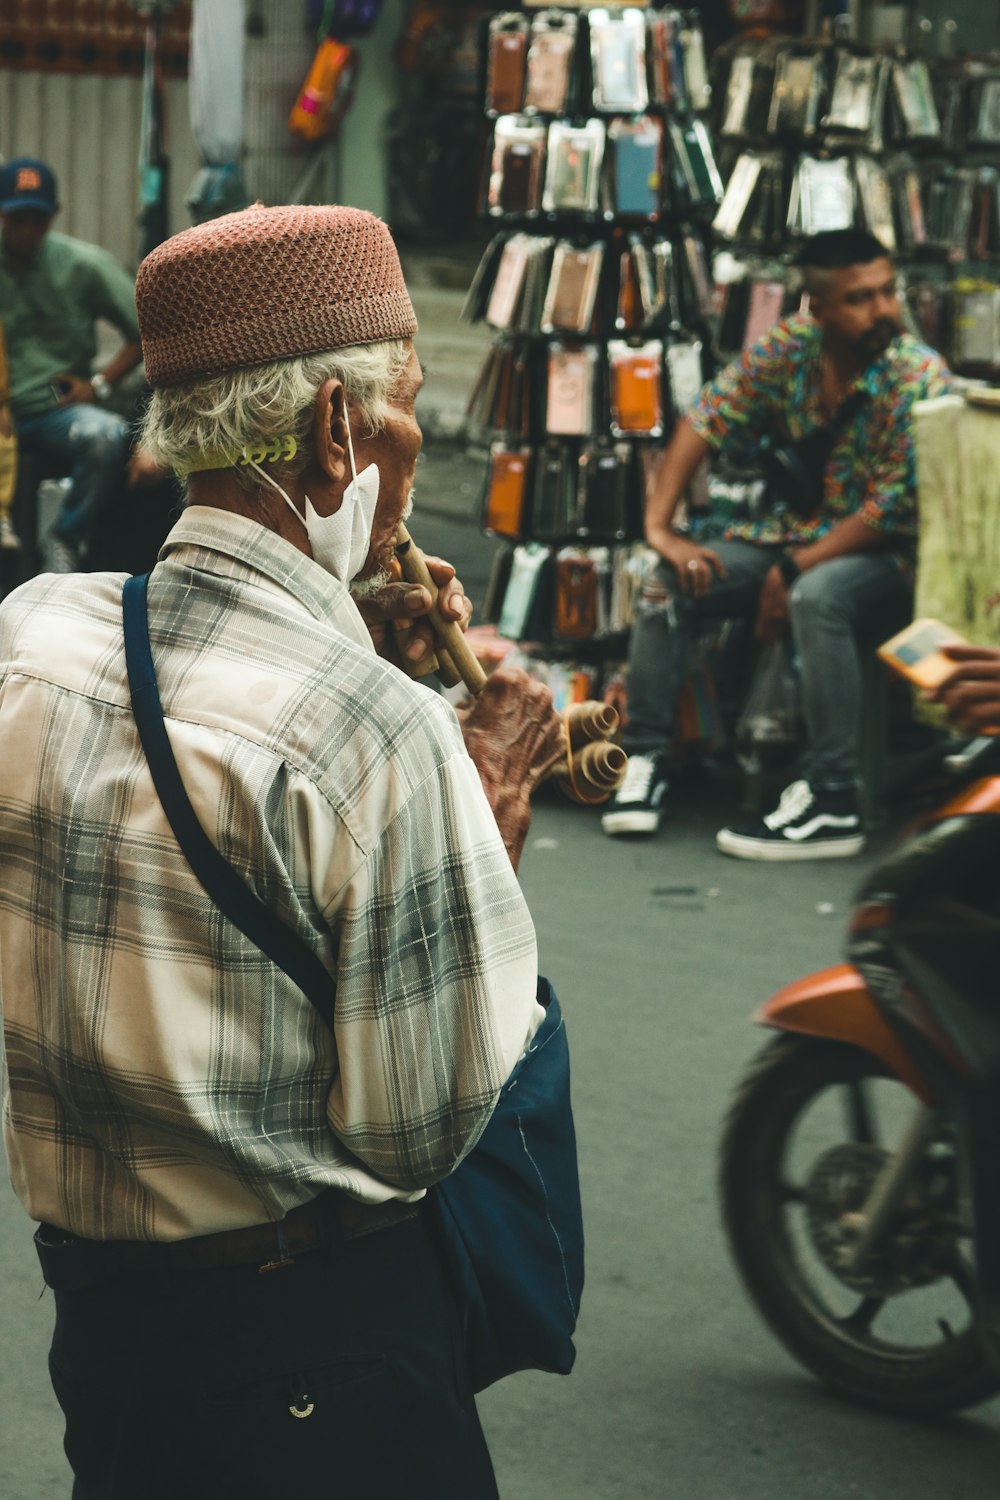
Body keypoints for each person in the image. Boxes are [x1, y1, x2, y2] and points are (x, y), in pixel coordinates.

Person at [0, 202, 565, 1499]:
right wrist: (485, 822)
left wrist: (341, 629)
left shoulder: (39, 638)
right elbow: (414, 1129)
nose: (416, 448)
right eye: (406, 407)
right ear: (333, 432)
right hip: (316, 1360)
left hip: (107, 1340)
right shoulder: (380, 739)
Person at [602, 228, 952, 859]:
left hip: (890, 558)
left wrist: (792, 571)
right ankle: (646, 759)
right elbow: (707, 418)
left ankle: (833, 796)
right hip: (797, 540)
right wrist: (662, 530)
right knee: (667, 580)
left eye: (887, 292)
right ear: (817, 307)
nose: (883, 310)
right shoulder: (794, 346)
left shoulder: (917, 375)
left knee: (819, 596)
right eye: (861, 299)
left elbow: (890, 510)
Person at [0, 156, 143, 570]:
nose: (27, 230)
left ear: (52, 217)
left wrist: (98, 385)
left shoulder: (83, 264)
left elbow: (146, 330)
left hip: (54, 411)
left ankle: (65, 538)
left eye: (36, 219)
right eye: (18, 218)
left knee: (105, 434)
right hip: (3, 410)